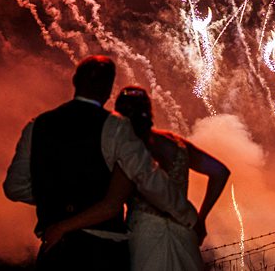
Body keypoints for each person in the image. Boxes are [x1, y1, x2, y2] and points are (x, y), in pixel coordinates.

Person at [3, 56, 198, 271]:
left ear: (75, 80)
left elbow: (14, 188)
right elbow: (148, 177)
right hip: (102, 250)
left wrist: (56, 198)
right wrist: (187, 215)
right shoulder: (116, 127)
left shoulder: (36, 125)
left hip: (55, 247)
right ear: (108, 88)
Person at [42, 85, 230, 271]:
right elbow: (220, 172)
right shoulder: (177, 144)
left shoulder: (128, 151)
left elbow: (111, 203)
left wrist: (62, 226)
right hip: (184, 232)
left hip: (144, 237)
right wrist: (201, 217)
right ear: (149, 111)